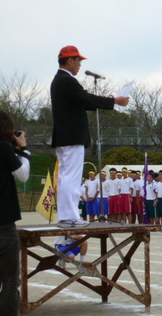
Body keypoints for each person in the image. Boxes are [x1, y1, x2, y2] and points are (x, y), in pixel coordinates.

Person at [51, 45, 129, 227]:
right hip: (72, 136)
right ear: (70, 61)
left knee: (66, 176)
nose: (79, 65)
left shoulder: (60, 80)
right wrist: (113, 101)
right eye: (78, 61)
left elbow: (82, 102)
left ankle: (66, 216)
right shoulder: (66, 80)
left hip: (65, 136)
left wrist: (108, 102)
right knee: (71, 177)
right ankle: (69, 217)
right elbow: (85, 98)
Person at [0, 110, 30, 315]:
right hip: (3, 223)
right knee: (10, 280)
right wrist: (23, 150)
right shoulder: (2, 147)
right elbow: (23, 175)